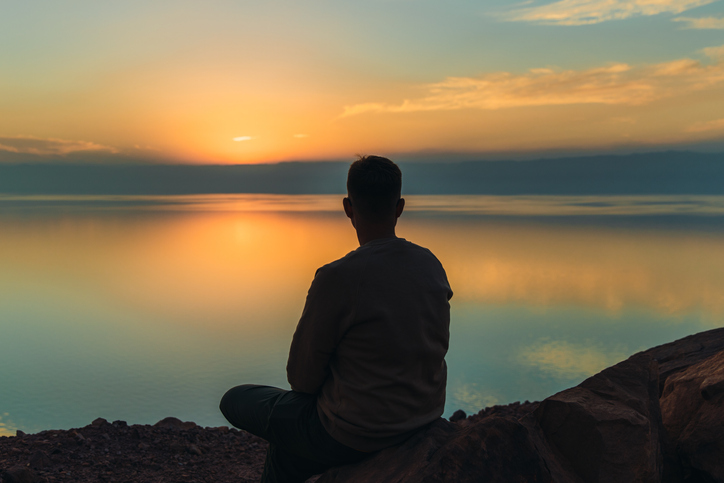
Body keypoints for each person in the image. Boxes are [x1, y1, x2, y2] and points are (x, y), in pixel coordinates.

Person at [220, 155, 453, 483]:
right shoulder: (430, 265)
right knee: (290, 439)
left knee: (236, 400)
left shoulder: (338, 277)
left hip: (355, 434)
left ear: (348, 206)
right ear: (399, 207)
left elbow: (301, 379)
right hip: (422, 418)